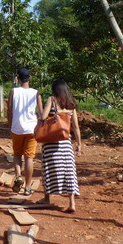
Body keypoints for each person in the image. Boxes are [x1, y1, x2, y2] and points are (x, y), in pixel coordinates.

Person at [35, 78, 82, 213]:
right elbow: (76, 127)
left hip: (51, 142)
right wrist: (79, 144)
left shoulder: (52, 100)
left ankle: (47, 198)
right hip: (65, 142)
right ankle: (71, 202)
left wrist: (41, 114)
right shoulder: (71, 104)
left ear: (54, 90)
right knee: (69, 171)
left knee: (48, 169)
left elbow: (44, 116)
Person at [7, 68, 42, 196]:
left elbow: (9, 110)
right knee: (29, 157)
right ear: (30, 77)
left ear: (18, 79)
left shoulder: (13, 91)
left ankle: (18, 177)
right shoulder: (36, 93)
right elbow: (41, 113)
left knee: (17, 154)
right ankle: (27, 187)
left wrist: (10, 125)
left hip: (16, 128)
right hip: (32, 129)